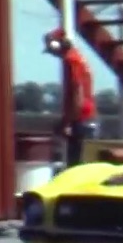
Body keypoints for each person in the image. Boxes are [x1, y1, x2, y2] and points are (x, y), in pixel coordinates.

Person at [43, 27, 99, 167]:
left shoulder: (71, 61)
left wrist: (67, 122)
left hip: (80, 119)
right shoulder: (79, 58)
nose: (52, 54)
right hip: (86, 117)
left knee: (75, 167)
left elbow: (76, 93)